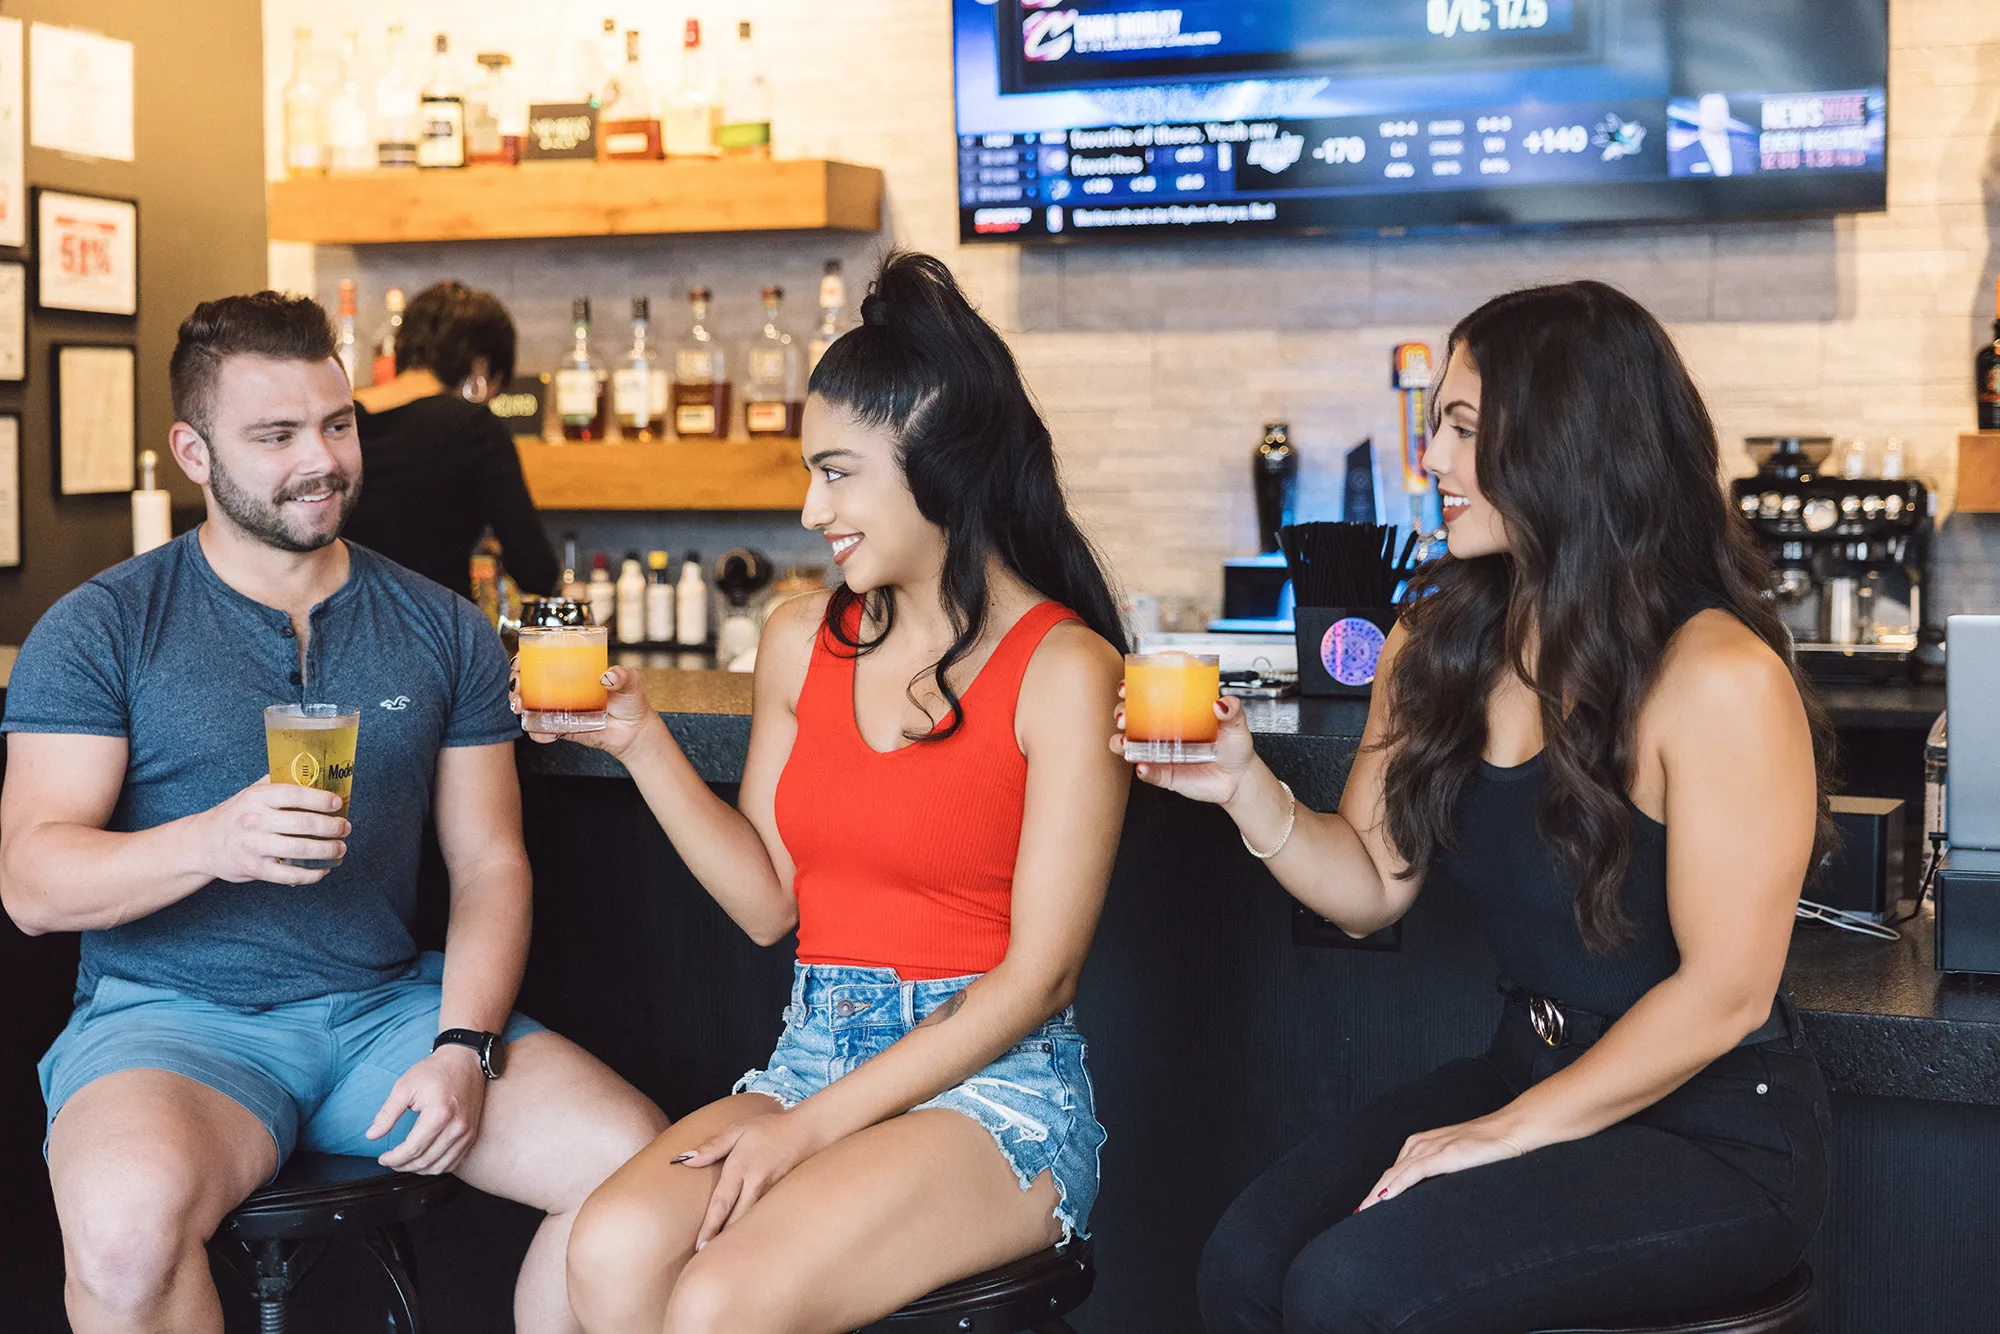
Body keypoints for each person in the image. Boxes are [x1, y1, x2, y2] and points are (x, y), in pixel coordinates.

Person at [1137, 282, 1835, 1333]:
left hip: (1712, 1133)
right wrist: (1243, 782)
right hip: (1527, 1068)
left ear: (1565, 441)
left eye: (1461, 429)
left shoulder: (1717, 675)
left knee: (1345, 1289)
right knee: (1244, 1261)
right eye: (1437, 430)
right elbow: (1370, 887)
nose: (1432, 463)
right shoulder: (1436, 642)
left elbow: (1727, 994)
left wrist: (1498, 1132)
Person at [0, 292, 665, 1334]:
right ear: (193, 450)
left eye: (337, 423)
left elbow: (491, 862)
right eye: (275, 435)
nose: (321, 458)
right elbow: (33, 882)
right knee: (124, 1234)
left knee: (639, 1171)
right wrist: (215, 839)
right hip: (170, 1023)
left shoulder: (440, 625)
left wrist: (463, 1042)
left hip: (383, 1014)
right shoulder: (102, 626)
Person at [551, 251, 1131, 1334]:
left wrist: (807, 1129)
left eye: (837, 471)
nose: (809, 505)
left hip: (992, 1092)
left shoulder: (1064, 668)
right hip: (809, 1051)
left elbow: (1038, 977)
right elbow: (773, 899)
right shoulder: (797, 638)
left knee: (719, 1298)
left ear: (942, 469)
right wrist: (638, 741)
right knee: (610, 1244)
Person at [344, 279, 559, 600]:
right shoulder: (475, 428)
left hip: (337, 632)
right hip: (436, 634)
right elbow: (536, 571)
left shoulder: (341, 419)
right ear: (481, 368)